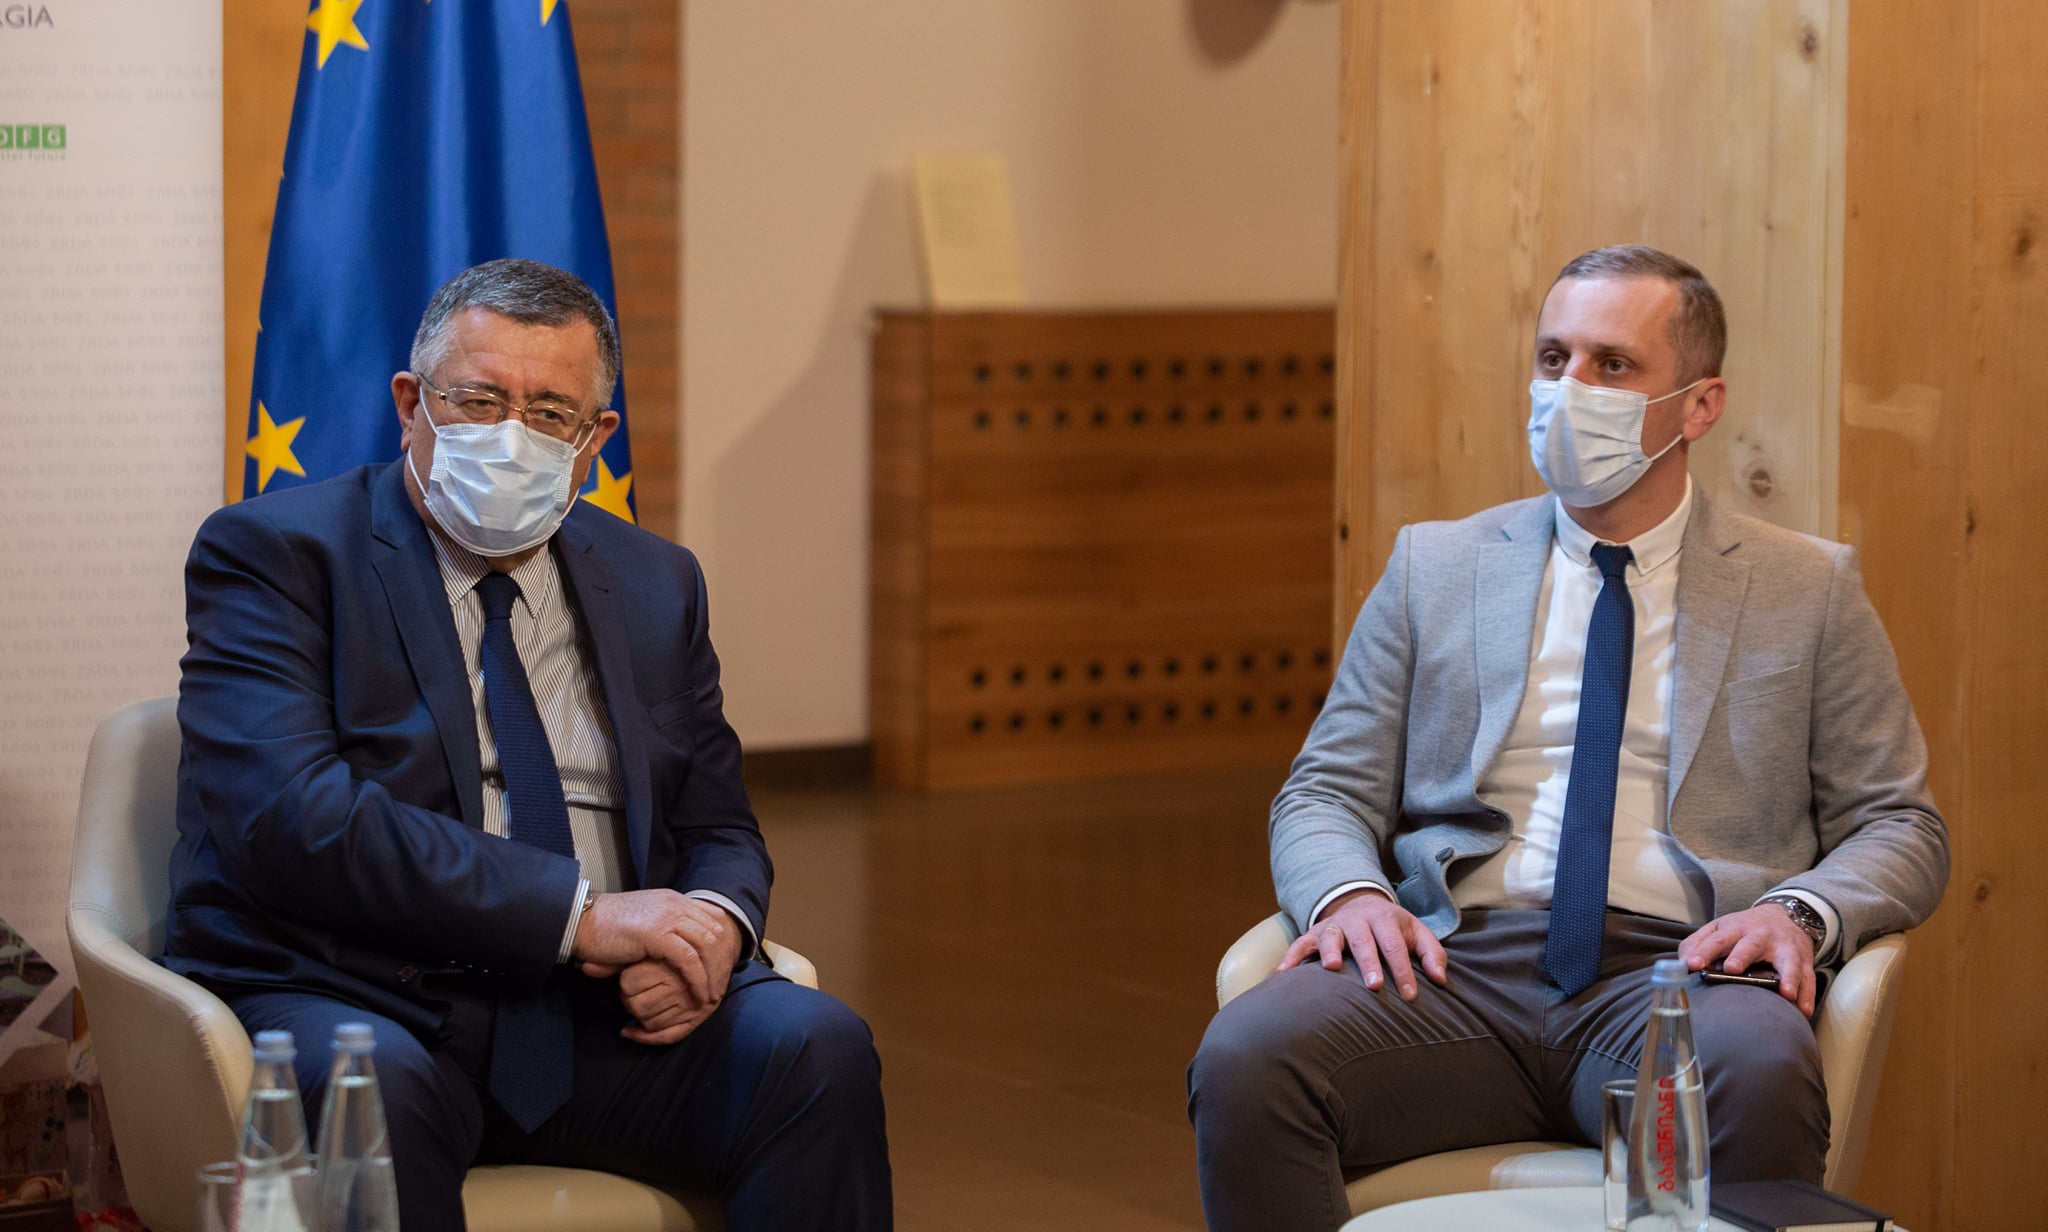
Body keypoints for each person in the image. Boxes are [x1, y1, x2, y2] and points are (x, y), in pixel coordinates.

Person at [1187, 245, 1948, 1231]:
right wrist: (1350, 893)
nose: (1569, 388)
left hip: (1681, 971)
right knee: (1248, 1057)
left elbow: (1899, 824)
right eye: (1553, 358)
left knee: (1757, 1068)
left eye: (1610, 364)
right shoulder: (1435, 566)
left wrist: (1798, 913)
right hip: (1449, 965)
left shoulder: (1806, 588)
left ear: (1699, 405)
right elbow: (1324, 788)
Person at [163, 258, 891, 1230]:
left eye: (550, 412)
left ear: (595, 439)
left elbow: (716, 822)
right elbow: (292, 820)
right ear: (410, 404)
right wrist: (581, 915)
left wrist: (713, 926)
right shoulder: (278, 554)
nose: (511, 434)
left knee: (814, 1047)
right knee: (368, 1091)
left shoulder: (656, 581)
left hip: (599, 1015)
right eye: (477, 400)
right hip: (368, 996)